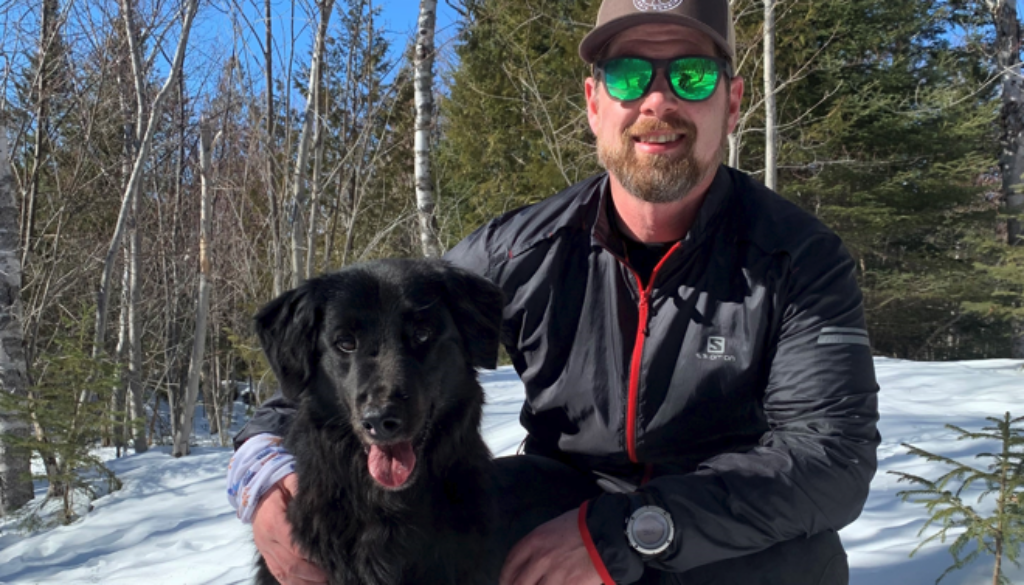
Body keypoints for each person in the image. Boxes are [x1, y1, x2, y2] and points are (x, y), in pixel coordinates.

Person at [226, 0, 881, 583]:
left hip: (722, 520)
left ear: (732, 102)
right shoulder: (520, 249)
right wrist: (259, 471)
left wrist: (631, 530)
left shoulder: (798, 257)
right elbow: (367, 341)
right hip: (556, 498)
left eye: (691, 75)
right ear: (595, 104)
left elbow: (831, 459)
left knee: (804, 559)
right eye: (628, 76)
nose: (657, 102)